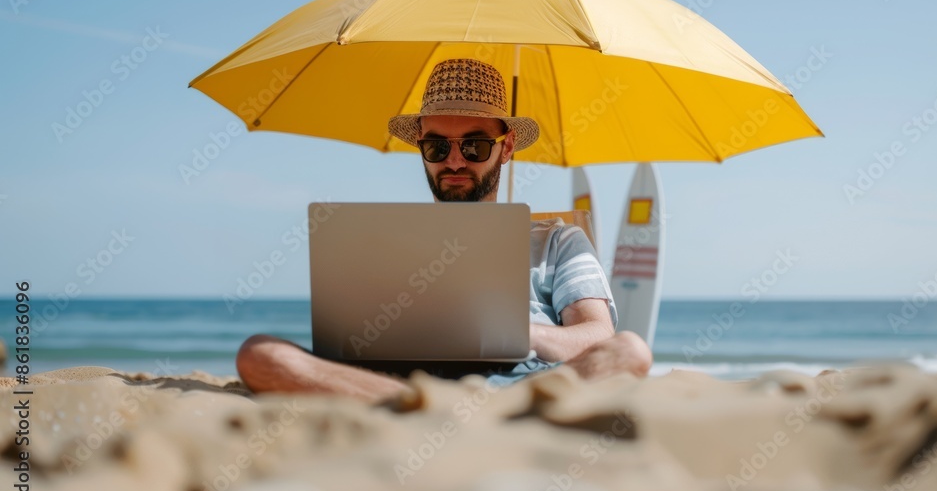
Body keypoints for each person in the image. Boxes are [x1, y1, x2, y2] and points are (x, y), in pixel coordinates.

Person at [236, 59, 652, 402]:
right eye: (438, 146)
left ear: (505, 148)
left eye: (475, 146)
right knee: (260, 352)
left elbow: (598, 335)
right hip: (398, 377)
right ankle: (417, 403)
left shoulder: (558, 241)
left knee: (631, 351)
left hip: (518, 380)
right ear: (421, 148)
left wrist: (509, 332)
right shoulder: (378, 241)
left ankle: (431, 407)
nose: (454, 161)